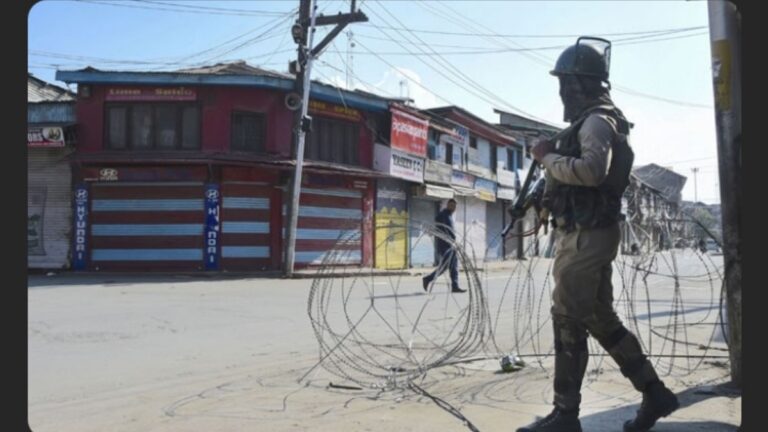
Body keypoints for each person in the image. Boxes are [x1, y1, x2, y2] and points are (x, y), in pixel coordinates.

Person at [517, 38, 679, 432]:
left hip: (588, 235)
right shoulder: (587, 121)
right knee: (599, 318)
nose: (562, 92)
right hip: (584, 231)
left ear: (578, 84)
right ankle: (655, 394)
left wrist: (546, 159)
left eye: (566, 84)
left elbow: (592, 171)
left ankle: (566, 414)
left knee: (566, 317)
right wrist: (541, 195)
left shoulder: (597, 121)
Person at [422, 199, 466, 293]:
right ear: (448, 205)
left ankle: (455, 286)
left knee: (454, 266)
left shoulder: (449, 215)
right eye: (451, 206)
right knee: (445, 266)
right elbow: (442, 229)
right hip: (444, 245)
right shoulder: (442, 215)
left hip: (451, 244)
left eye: (454, 206)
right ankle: (428, 279)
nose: (453, 208)